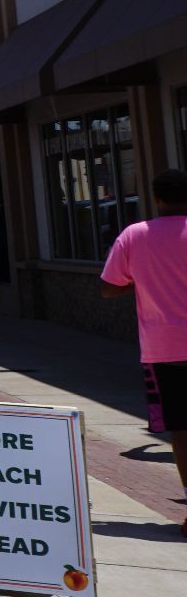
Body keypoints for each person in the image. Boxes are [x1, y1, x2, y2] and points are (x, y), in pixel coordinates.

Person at [99, 168, 187, 532]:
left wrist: (139, 283)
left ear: (156, 197)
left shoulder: (135, 236)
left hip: (165, 347)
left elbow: (108, 287)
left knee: (181, 429)